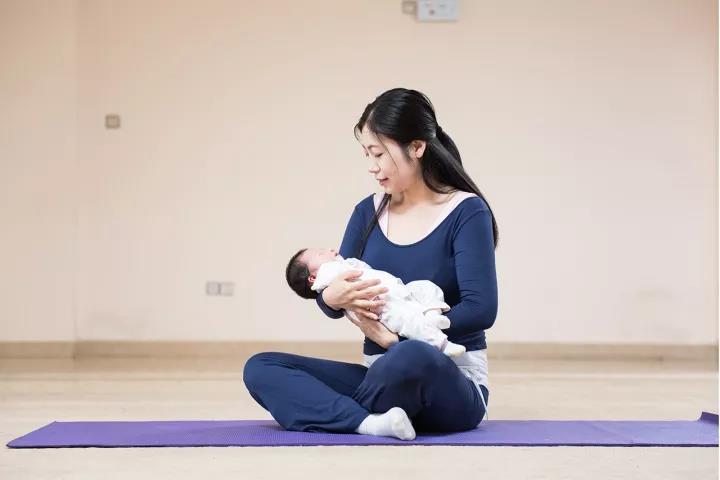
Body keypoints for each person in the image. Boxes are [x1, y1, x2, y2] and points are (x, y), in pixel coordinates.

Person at [243, 87, 499, 441]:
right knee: (261, 368)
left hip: (444, 377)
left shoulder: (466, 211)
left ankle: (336, 412)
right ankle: (369, 422)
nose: (371, 166)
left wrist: (398, 340)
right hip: (380, 377)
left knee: (412, 355)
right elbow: (333, 295)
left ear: (417, 147)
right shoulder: (368, 212)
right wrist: (330, 297)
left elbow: (481, 309)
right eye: (366, 154)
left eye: (378, 153)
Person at [285, 247, 467, 357]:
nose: (330, 250)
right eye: (321, 253)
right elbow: (324, 293)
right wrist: (328, 296)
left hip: (399, 290)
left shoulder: (344, 265)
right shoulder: (327, 275)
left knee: (425, 287)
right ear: (313, 278)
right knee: (409, 320)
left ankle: (432, 316)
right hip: (382, 306)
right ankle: (441, 344)